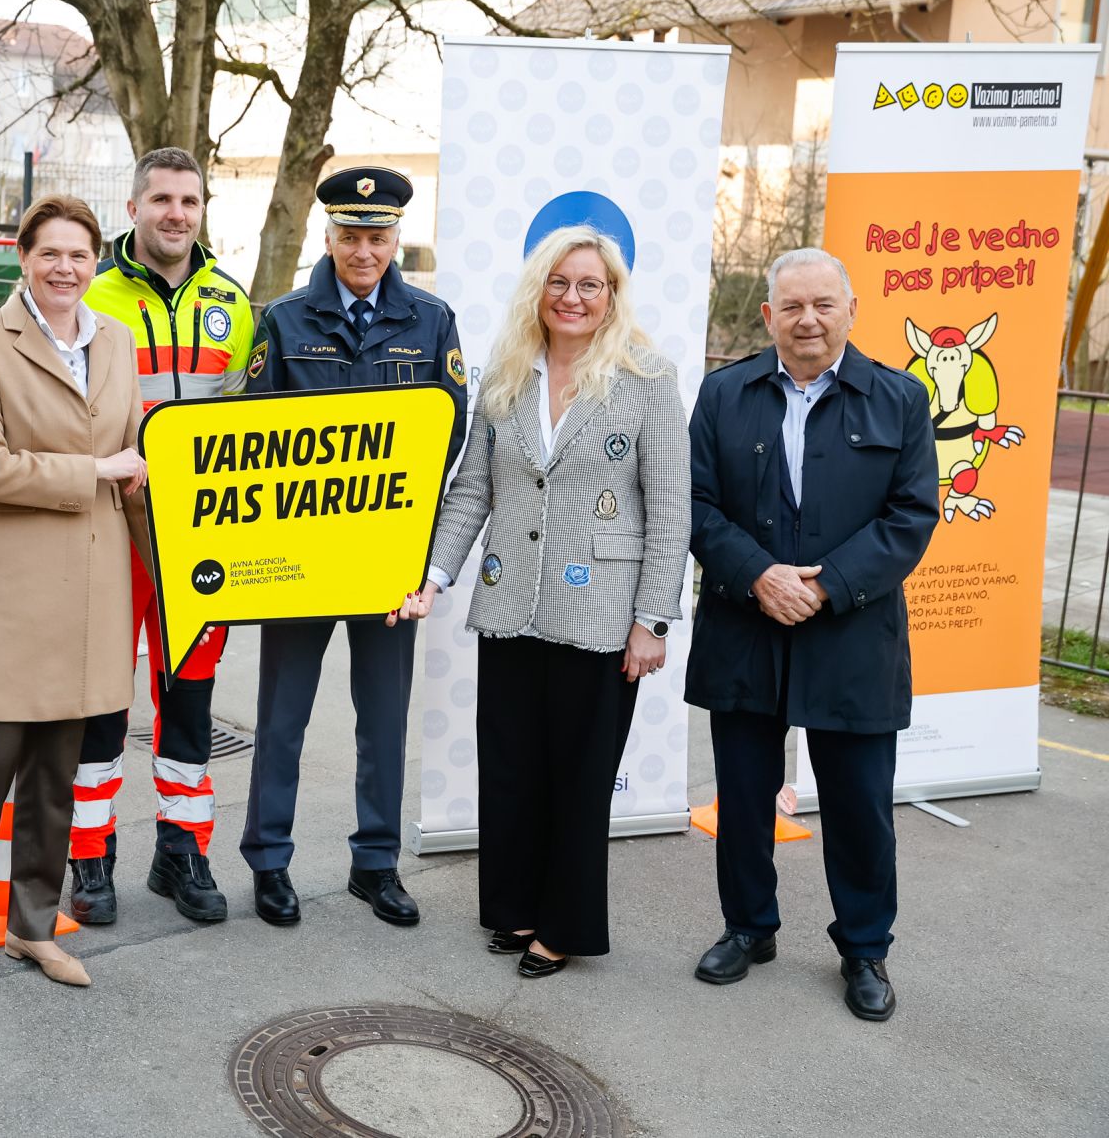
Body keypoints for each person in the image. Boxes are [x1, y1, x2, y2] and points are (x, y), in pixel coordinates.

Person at [420, 226, 690, 977]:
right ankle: (513, 907)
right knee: (510, 768)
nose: (573, 297)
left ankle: (564, 925)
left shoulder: (646, 379)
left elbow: (670, 509)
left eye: (589, 285)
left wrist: (651, 619)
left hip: (601, 614)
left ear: (611, 296)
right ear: (538, 289)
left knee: (578, 778)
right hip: (509, 603)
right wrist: (434, 577)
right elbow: (471, 491)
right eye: (559, 282)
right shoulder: (507, 376)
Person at [686, 247, 938, 1022]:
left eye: (824, 304)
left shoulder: (900, 399)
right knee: (744, 793)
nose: (808, 320)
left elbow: (911, 515)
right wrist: (760, 575)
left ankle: (864, 947)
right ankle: (747, 926)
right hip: (746, 623)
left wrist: (822, 586)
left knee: (860, 804)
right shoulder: (724, 393)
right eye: (792, 306)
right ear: (768, 316)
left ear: (851, 310)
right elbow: (694, 503)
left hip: (852, 632)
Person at [238, 166, 469, 927]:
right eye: (349, 235)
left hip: (388, 559)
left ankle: (376, 864)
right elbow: (250, 432)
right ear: (328, 236)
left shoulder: (431, 321)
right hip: (302, 559)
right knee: (282, 718)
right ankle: (269, 861)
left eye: (378, 236)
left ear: (396, 238)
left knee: (384, 719)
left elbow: (449, 432)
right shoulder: (284, 319)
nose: (364, 251)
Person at [0, 195, 149, 994]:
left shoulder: (115, 340)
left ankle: (31, 925)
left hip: (91, 586)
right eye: (50, 252)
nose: (65, 267)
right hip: (9, 588)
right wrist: (96, 470)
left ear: (97, 262)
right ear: (23, 257)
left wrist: (156, 520)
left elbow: (133, 454)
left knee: (57, 774)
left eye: (79, 254)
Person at [66, 147, 254, 927]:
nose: (177, 213)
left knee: (189, 699)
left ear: (202, 210)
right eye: (163, 199)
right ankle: (90, 854)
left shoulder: (232, 302)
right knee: (101, 700)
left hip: (198, 540)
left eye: (190, 201)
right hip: (112, 526)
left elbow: (250, 424)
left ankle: (183, 850)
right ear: (134, 207)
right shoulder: (90, 292)